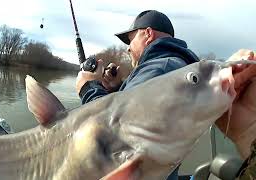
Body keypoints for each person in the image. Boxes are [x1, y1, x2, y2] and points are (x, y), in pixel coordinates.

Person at [75, 9, 256, 179]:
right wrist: (117, 89)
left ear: (147, 34)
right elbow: (142, 116)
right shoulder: (167, 66)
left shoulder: (160, 67)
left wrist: (88, 88)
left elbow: (113, 137)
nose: (128, 48)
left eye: (130, 40)